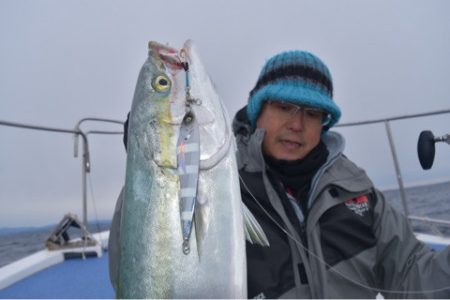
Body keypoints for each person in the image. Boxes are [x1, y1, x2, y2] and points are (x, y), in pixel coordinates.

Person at [109, 50, 450, 298]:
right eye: (283, 107)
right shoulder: (223, 184)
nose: (296, 124)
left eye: (312, 113)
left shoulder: (357, 192)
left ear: (324, 123)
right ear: (258, 111)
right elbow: (144, 273)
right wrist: (146, 178)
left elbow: (414, 279)